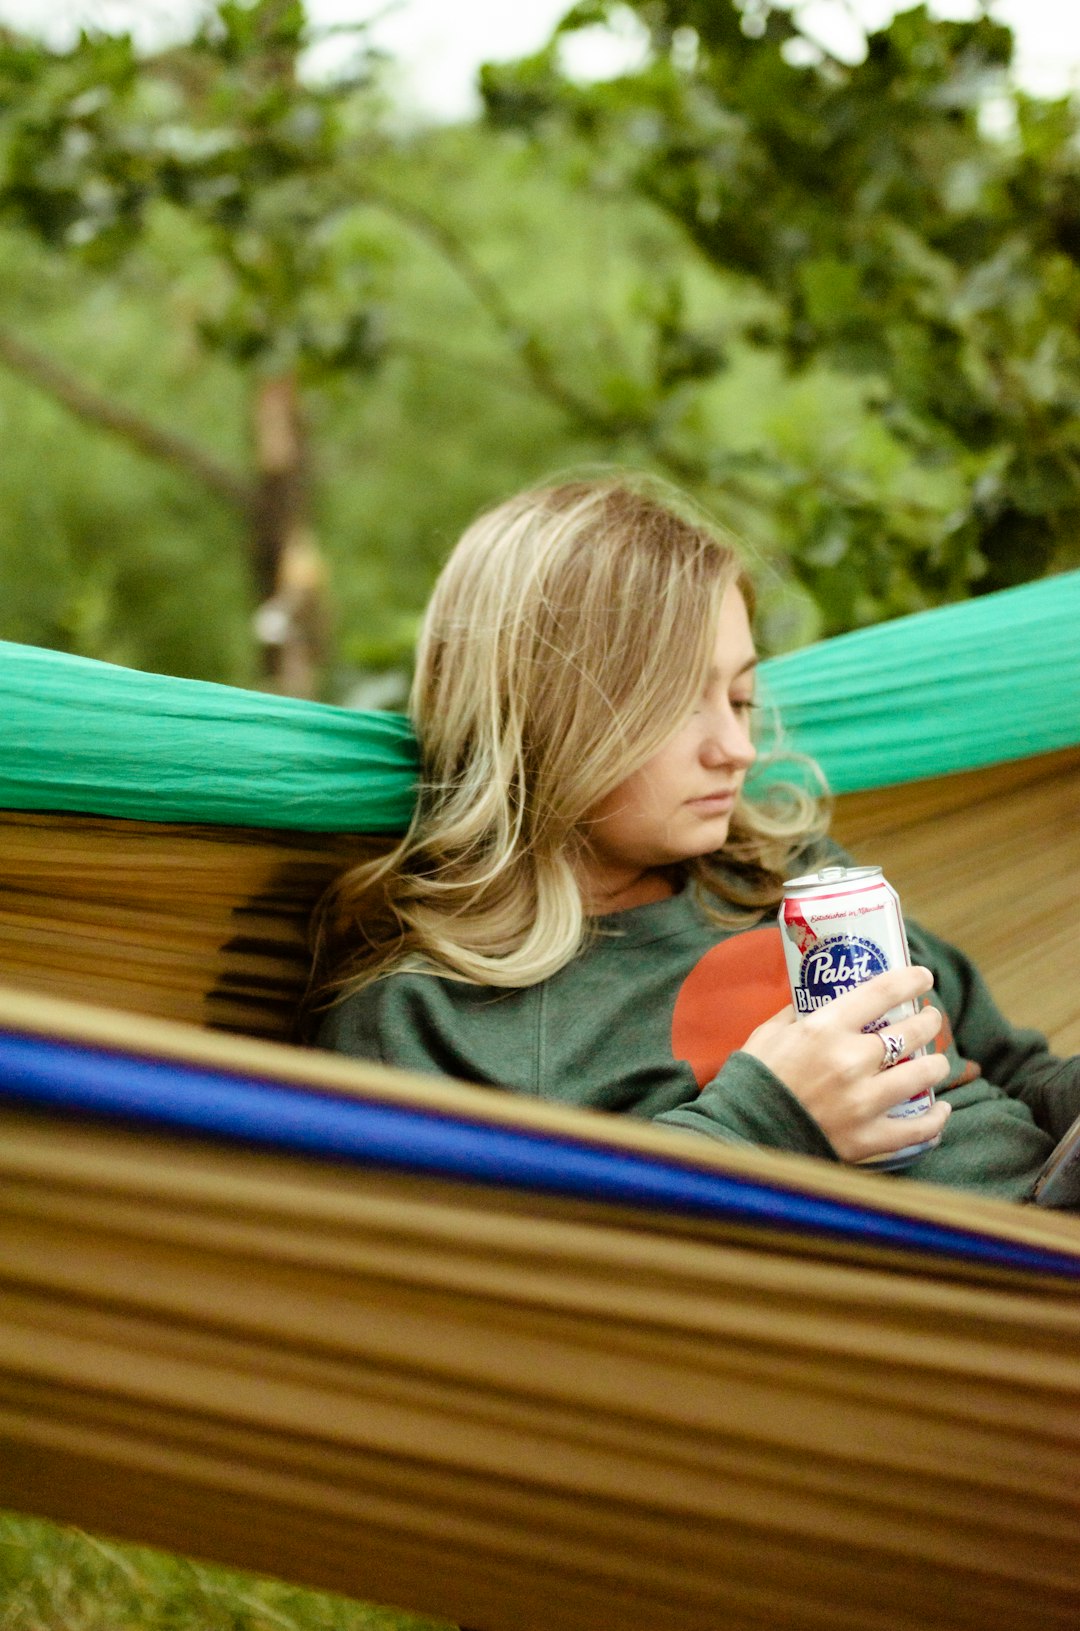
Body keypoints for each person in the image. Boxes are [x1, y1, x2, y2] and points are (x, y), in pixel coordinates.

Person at [311, 476, 1079, 1201]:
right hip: (949, 1314)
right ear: (545, 713)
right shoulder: (431, 1018)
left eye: (740, 696)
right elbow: (480, 1286)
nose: (735, 748)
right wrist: (768, 1123)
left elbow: (1014, 1076)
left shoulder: (789, 874)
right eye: (680, 702)